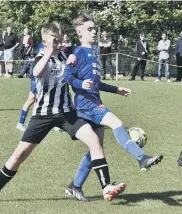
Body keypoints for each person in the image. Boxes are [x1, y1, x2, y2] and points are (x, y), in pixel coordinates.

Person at [0, 22, 126, 201]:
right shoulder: (40, 58)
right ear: (46, 42)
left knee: (94, 141)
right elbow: (36, 73)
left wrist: (72, 60)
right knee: (18, 157)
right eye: (56, 41)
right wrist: (49, 51)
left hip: (66, 113)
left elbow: (76, 72)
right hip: (42, 115)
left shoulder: (65, 57)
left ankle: (106, 187)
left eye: (61, 41)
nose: (61, 44)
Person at [64, 13, 163, 200]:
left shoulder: (93, 53)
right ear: (79, 32)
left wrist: (116, 89)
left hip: (92, 103)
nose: (94, 32)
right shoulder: (77, 53)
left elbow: (96, 83)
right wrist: (78, 84)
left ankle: (75, 186)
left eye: (95, 29)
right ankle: (141, 158)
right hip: (86, 105)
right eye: (90, 29)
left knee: (96, 148)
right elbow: (67, 76)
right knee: (117, 123)